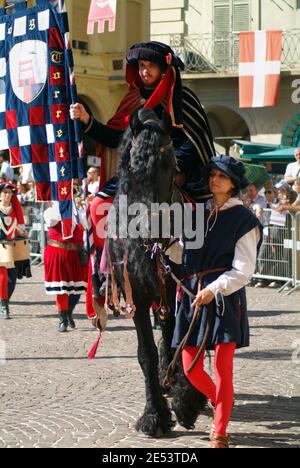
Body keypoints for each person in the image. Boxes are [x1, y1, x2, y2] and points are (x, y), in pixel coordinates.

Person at [171, 156, 262, 448]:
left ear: (233, 183)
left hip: (224, 299)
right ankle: (221, 400)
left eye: (221, 176)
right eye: (211, 174)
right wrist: (164, 249)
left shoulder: (245, 220)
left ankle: (220, 430)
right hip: (192, 298)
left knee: (223, 370)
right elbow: (184, 254)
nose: (214, 179)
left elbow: (243, 269)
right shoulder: (196, 214)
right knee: (190, 368)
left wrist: (214, 288)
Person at [43, 201, 88, 332]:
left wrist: (81, 208)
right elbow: (51, 220)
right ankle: (63, 319)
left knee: (78, 287)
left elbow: (87, 224)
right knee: (62, 289)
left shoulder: (78, 211)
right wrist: (63, 205)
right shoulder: (53, 208)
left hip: (76, 253)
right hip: (58, 251)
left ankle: (68, 310)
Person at [0, 182, 28, 319]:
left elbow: (17, 227)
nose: (7, 195)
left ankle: (3, 300)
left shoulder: (14, 211)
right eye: (4, 192)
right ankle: (4, 305)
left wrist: (23, 233)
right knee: (3, 276)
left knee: (12, 278)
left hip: (11, 247)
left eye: (9, 193)